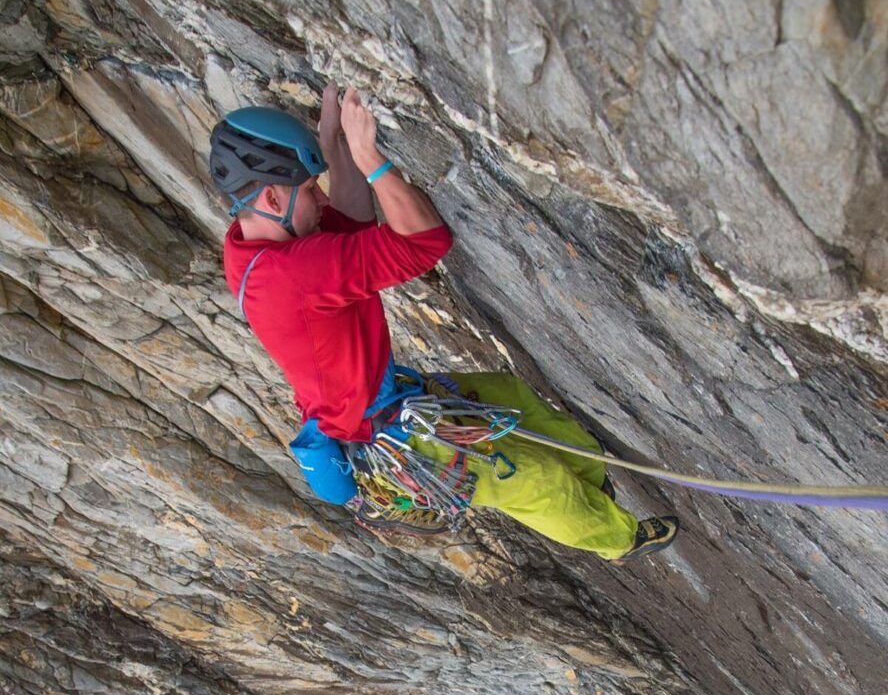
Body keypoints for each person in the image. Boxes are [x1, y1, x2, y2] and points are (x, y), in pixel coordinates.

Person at [211, 84, 679, 562]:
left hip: (392, 401)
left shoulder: (246, 244)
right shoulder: (293, 272)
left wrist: (336, 146)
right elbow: (424, 242)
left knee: (509, 394)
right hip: (394, 436)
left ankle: (594, 486)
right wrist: (370, 158)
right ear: (270, 197)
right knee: (537, 483)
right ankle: (620, 539)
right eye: (311, 189)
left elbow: (351, 222)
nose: (320, 198)